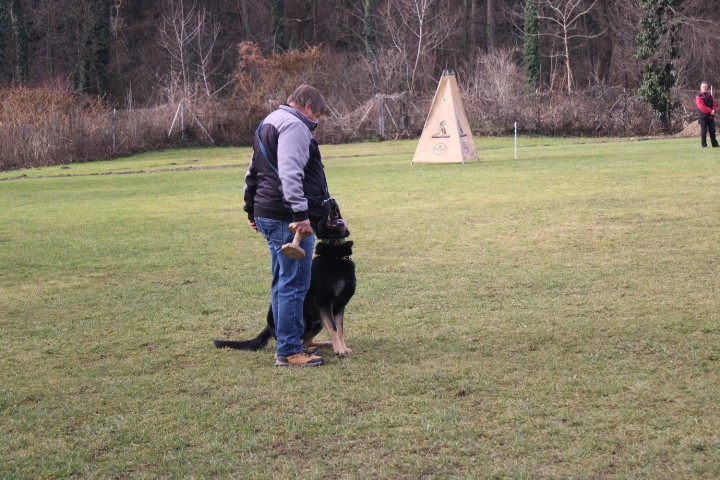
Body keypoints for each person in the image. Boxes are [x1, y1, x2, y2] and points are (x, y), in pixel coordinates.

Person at [243, 84, 331, 367]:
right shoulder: (294, 126)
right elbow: (291, 173)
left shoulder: (268, 121)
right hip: (287, 217)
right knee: (294, 284)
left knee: (282, 281)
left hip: (268, 211)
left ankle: (287, 341)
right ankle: (290, 350)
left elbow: (252, 170)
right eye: (316, 114)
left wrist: (250, 207)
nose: (315, 121)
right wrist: (300, 214)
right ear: (306, 106)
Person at [695, 81, 719, 148]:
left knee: (712, 130)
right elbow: (701, 107)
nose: (705, 88)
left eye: (706, 87)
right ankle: (704, 145)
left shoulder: (710, 95)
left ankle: (715, 144)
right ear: (700, 88)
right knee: (704, 131)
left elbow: (714, 103)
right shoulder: (698, 96)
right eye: (703, 87)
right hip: (703, 117)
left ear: (707, 87)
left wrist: (714, 110)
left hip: (710, 116)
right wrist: (710, 111)